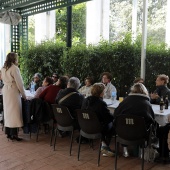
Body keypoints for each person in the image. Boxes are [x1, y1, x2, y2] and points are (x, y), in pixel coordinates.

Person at [114, 83, 155, 157]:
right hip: (140, 134)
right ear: (144, 91)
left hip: (123, 133)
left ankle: (125, 149)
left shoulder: (125, 101)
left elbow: (116, 114)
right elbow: (151, 119)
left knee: (125, 124)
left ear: (133, 90)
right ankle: (142, 150)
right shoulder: (146, 103)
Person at [81, 83, 114, 157]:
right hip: (96, 128)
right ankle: (105, 146)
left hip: (84, 127)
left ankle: (104, 143)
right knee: (111, 124)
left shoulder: (85, 100)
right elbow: (108, 118)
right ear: (101, 93)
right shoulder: (101, 103)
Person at [1, 52, 26, 141]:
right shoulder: (15, 68)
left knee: (8, 112)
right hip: (13, 91)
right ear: (14, 58)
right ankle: (14, 135)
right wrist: (24, 95)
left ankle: (8, 133)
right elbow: (20, 83)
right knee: (15, 113)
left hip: (6, 91)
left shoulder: (3, 68)